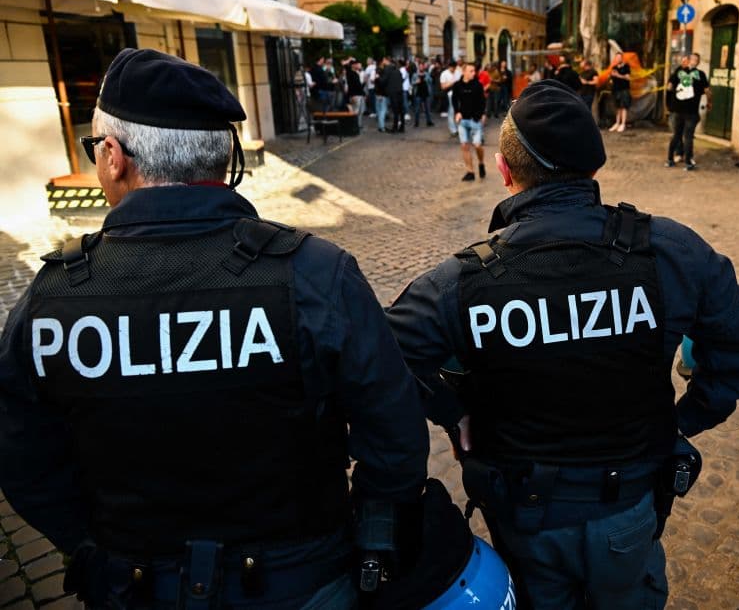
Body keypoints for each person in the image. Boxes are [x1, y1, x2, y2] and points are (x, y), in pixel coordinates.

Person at [0, 48, 429, 609]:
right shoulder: (315, 274)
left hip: (134, 582)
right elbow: (395, 438)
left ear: (112, 157)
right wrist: (367, 535)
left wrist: (96, 540)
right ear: (225, 159)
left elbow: (24, 461)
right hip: (304, 577)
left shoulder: (50, 299)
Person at [387, 79, 739, 609]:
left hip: (525, 515)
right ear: (594, 170)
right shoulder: (669, 251)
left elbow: (379, 366)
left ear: (505, 172)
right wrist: (686, 417)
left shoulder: (462, 281)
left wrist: (455, 414)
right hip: (630, 508)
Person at [666, 53, 711, 170]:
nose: (695, 61)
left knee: (677, 135)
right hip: (690, 110)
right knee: (688, 136)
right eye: (695, 59)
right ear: (696, 62)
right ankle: (688, 162)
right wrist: (709, 102)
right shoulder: (700, 74)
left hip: (679, 109)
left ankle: (670, 159)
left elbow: (669, 87)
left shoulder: (679, 71)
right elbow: (707, 91)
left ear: (688, 61)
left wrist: (672, 100)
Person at [450, 62, 487, 182]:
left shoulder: (478, 85)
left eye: (474, 71)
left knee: (477, 145)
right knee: (464, 146)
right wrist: (457, 112)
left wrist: (483, 114)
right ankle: (470, 171)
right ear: (464, 72)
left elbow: (483, 101)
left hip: (475, 119)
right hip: (463, 120)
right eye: (471, 71)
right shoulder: (457, 85)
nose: (473, 73)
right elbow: (454, 100)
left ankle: (481, 163)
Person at [609, 52, 631, 133]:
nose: (618, 59)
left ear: (622, 58)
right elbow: (611, 78)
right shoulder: (614, 67)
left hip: (624, 89)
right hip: (616, 89)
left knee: (624, 106)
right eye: (616, 58)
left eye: (619, 57)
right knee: (617, 107)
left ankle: (623, 123)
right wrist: (611, 78)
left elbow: (628, 78)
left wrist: (618, 75)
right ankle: (617, 122)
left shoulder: (626, 67)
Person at [440, 60, 462, 138]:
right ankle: (453, 130)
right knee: (451, 112)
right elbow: (443, 86)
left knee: (458, 111)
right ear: (449, 67)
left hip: (459, 94)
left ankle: (459, 128)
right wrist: (452, 83)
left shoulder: (458, 72)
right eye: (452, 68)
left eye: (455, 68)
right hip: (449, 94)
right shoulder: (444, 74)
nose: (454, 69)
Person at [412, 59, 435, 127]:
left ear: (424, 67)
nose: (421, 67)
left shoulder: (427, 74)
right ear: (418, 67)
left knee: (428, 109)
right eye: (420, 66)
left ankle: (429, 121)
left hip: (426, 93)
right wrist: (416, 82)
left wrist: (428, 78)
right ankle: (416, 122)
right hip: (418, 93)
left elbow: (431, 81)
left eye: (422, 66)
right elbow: (412, 83)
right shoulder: (415, 74)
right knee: (417, 109)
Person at [344, 58, 364, 131]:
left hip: (359, 94)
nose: (358, 65)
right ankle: (354, 127)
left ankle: (358, 125)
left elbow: (359, 85)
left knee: (360, 111)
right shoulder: (350, 73)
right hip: (354, 95)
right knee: (355, 111)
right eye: (356, 64)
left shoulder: (356, 73)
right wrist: (349, 59)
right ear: (353, 65)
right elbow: (345, 64)